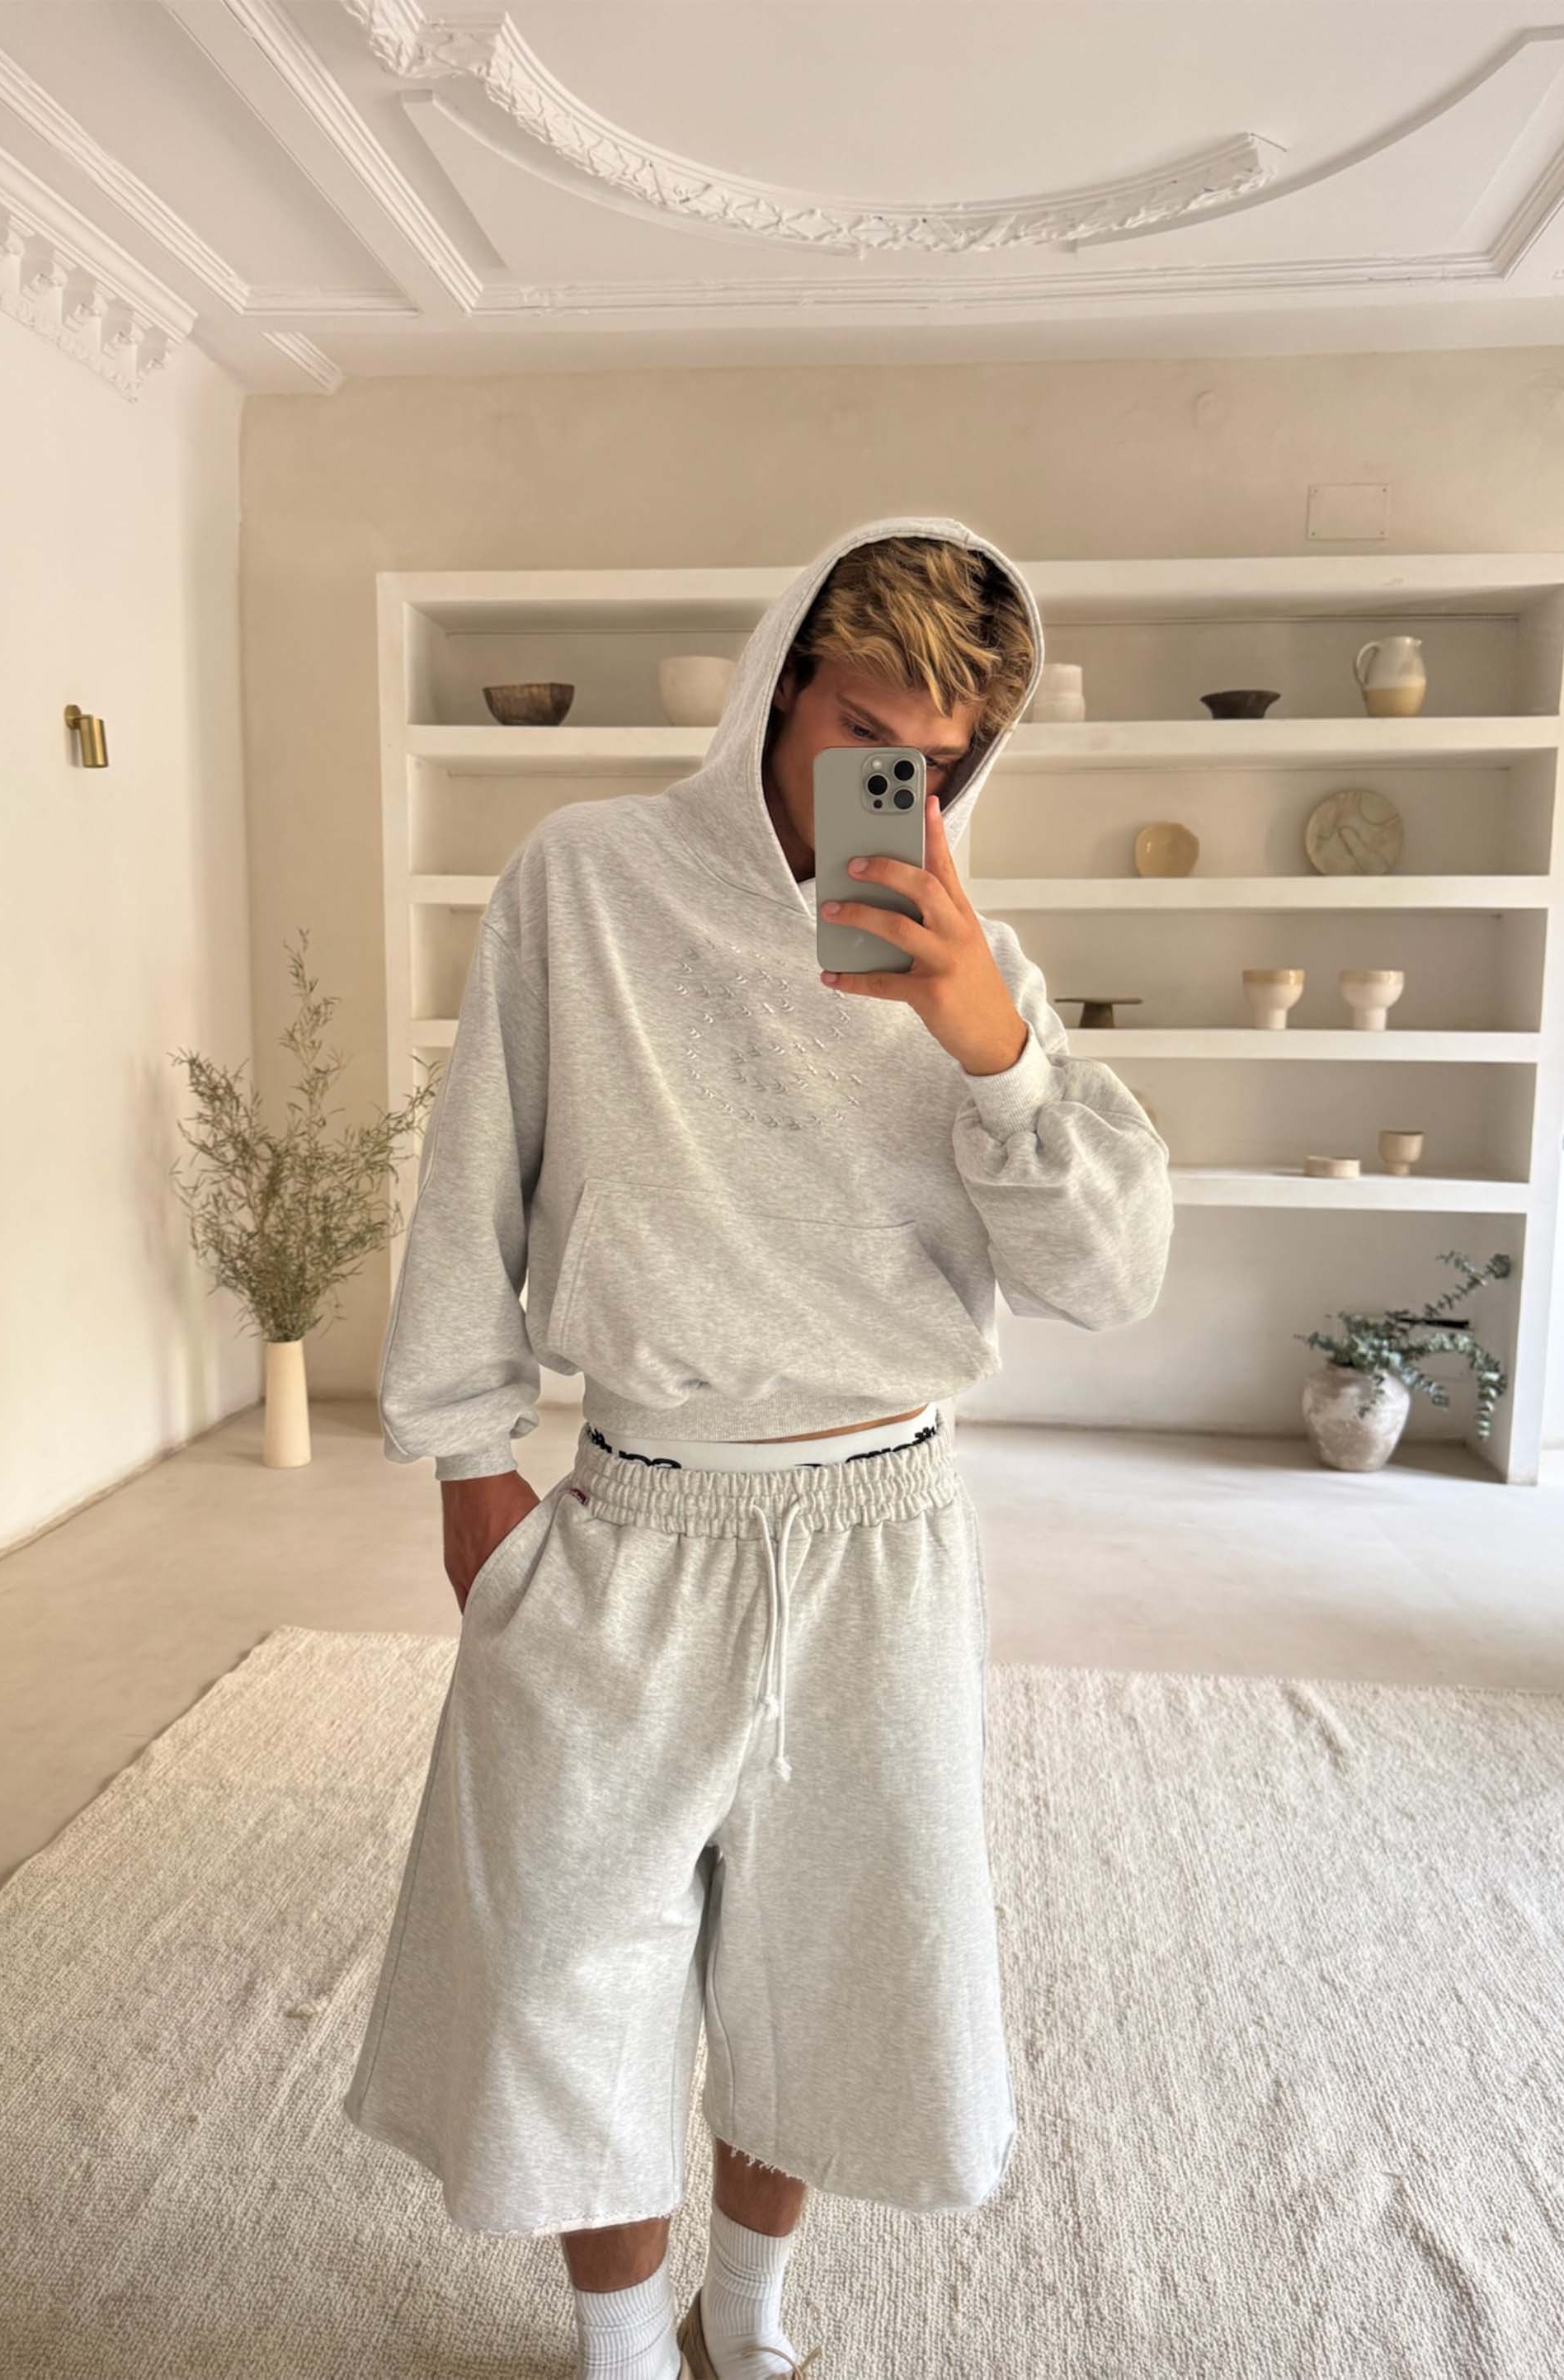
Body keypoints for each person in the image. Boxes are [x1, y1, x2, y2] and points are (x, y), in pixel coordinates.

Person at [342, 514, 1174, 2379]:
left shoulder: (976, 965)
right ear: (777, 686)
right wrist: (471, 1463)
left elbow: (1108, 1277)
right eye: (865, 731)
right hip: (631, 1518)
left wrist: (994, 1050)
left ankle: (749, 2320)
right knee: (565, 1961)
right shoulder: (583, 882)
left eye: (938, 760)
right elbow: (473, 1173)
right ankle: (620, 2349)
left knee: (830, 1967)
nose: (895, 787)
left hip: (884, 1528)